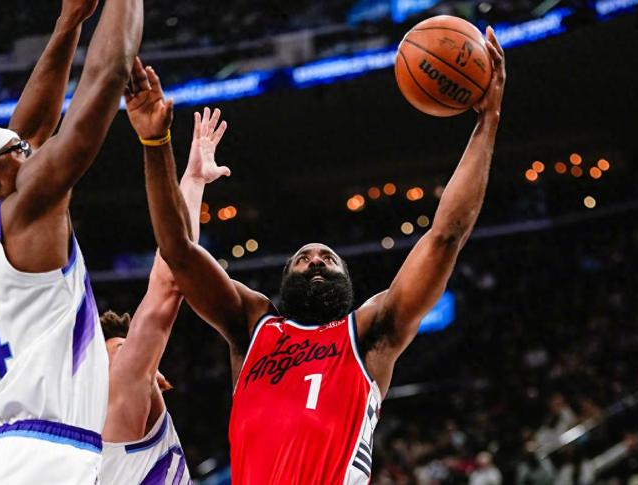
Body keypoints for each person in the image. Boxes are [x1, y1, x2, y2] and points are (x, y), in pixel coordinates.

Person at [140, 27, 505, 484]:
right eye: (304, 258)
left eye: (327, 259)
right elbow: (177, 251)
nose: (315, 260)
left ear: (348, 281)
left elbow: (445, 235)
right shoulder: (253, 325)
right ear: (283, 281)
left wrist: (488, 119)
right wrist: (156, 146)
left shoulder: (370, 332)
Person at [0, 0, 143, 482]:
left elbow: (28, 130)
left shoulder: (2, 211)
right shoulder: (24, 211)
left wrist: (68, 22)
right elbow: (106, 76)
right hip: (47, 455)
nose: (33, 153)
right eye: (21, 154)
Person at [99, 63, 229, 485]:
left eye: (128, 346)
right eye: (119, 350)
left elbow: (177, 264)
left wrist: (193, 181)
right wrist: (170, 159)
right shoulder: (120, 398)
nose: (133, 354)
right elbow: (172, 274)